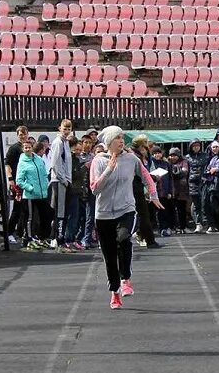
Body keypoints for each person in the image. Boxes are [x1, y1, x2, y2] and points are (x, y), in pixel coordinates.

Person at [90, 126, 161, 309]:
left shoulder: (131, 158)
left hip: (126, 209)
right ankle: (114, 292)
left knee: (123, 239)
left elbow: (146, 175)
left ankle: (126, 280)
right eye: (117, 138)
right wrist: (109, 169)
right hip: (104, 214)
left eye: (122, 137)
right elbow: (95, 188)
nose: (121, 141)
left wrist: (153, 195)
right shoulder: (98, 161)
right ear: (108, 142)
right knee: (109, 255)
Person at [15, 137, 51, 250]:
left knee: (46, 215)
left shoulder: (38, 159)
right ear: (23, 149)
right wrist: (30, 188)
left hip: (42, 194)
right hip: (30, 195)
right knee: (29, 218)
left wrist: (46, 185)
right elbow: (19, 181)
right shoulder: (22, 162)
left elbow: (44, 174)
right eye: (25, 148)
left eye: (29, 147)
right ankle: (29, 239)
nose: (27, 149)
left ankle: (42, 238)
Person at [45, 119, 74, 249]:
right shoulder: (58, 143)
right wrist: (63, 180)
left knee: (65, 211)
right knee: (60, 211)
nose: (67, 131)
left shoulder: (66, 142)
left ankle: (57, 237)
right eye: (65, 128)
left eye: (69, 129)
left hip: (67, 181)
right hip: (59, 181)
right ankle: (58, 239)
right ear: (59, 128)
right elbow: (55, 164)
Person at [186, 139, 209, 232]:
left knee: (205, 203)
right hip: (193, 182)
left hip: (203, 182)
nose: (196, 147)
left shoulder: (205, 156)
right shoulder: (187, 157)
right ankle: (198, 223)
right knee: (196, 204)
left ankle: (206, 223)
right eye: (194, 145)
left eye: (198, 145)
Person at [168, 147, 192, 234]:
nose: (173, 157)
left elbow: (184, 172)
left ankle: (183, 226)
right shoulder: (167, 163)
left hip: (182, 190)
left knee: (182, 209)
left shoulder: (184, 162)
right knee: (171, 210)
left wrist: (175, 171)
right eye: (171, 155)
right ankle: (173, 227)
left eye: (175, 155)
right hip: (171, 189)